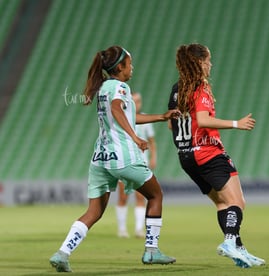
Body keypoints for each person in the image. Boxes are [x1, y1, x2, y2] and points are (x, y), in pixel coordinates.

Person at [49, 45, 177, 272]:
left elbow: (128, 114)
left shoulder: (104, 88)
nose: (132, 67)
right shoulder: (120, 87)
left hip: (100, 157)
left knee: (94, 211)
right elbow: (118, 110)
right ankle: (151, 250)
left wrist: (161, 116)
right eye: (130, 63)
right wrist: (135, 137)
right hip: (123, 155)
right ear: (120, 67)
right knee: (155, 195)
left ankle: (62, 253)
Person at [169, 43, 265, 268]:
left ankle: (239, 250)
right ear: (200, 62)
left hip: (186, 155)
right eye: (208, 60)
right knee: (237, 202)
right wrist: (236, 123)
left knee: (222, 204)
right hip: (208, 152)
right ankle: (230, 242)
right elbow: (202, 120)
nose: (210, 65)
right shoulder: (200, 88)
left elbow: (172, 122)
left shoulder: (177, 89)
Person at [116, 93, 156, 238]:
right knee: (123, 196)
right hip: (125, 161)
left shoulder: (145, 118)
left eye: (139, 101)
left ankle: (139, 228)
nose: (137, 103)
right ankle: (121, 229)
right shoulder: (122, 117)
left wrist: (153, 157)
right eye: (135, 101)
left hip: (141, 161)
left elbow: (152, 141)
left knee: (141, 196)